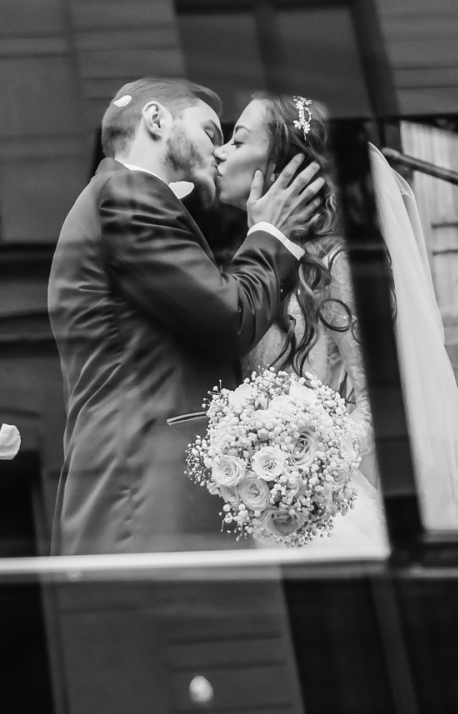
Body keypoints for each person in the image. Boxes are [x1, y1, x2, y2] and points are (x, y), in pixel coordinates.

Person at [48, 78, 326, 554]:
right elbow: (230, 319)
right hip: (143, 498)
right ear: (156, 120)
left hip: (145, 494)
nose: (218, 152)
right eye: (211, 133)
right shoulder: (127, 194)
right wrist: (269, 234)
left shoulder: (120, 197)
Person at [213, 93, 458, 551]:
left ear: (281, 169)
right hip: (261, 503)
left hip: (319, 506)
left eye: (237, 141)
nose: (220, 152)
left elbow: (377, 399)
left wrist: (302, 463)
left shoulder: (337, 262)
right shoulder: (255, 260)